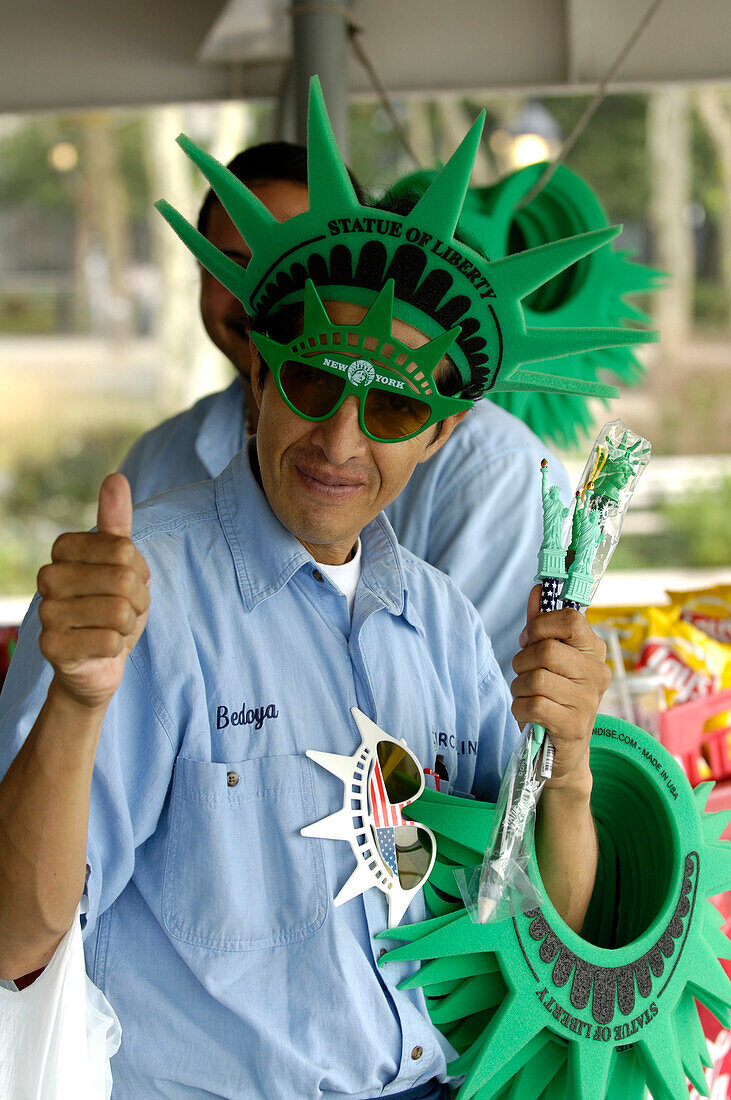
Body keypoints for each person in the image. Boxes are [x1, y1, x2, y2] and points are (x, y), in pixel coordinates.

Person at [0, 83, 621, 1099]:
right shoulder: (137, 597)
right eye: (314, 382)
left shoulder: (445, 623)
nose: (338, 440)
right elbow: (14, 937)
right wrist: (74, 703)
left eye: (390, 404)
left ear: (443, 432)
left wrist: (572, 768)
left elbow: (537, 930)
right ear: (259, 371)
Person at [119, 142, 571, 681]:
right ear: (263, 373)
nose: (256, 296)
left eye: (397, 408)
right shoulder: (155, 464)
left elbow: (495, 724)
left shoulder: (491, 486)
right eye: (234, 266)